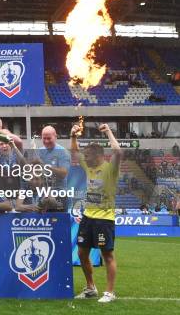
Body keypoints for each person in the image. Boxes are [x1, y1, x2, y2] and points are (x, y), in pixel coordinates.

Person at [72, 124, 122, 303]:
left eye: (88, 156)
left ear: (99, 156)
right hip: (88, 218)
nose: (84, 158)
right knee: (81, 253)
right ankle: (91, 287)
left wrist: (108, 131)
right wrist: (73, 137)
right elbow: (75, 154)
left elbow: (117, 152)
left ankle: (110, 292)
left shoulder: (110, 169)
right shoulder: (89, 167)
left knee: (107, 255)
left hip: (104, 220)